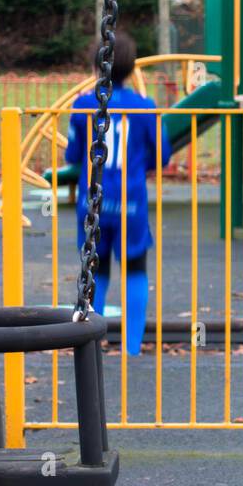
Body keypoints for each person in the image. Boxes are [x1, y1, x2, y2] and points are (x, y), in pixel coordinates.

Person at [65, 32, 169, 353]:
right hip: (131, 201)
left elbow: (72, 155)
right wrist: (139, 163)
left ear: (98, 65)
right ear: (131, 68)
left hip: (92, 200)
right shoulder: (144, 106)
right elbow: (162, 155)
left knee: (96, 269)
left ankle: (91, 344)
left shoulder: (84, 104)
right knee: (136, 268)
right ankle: (132, 347)